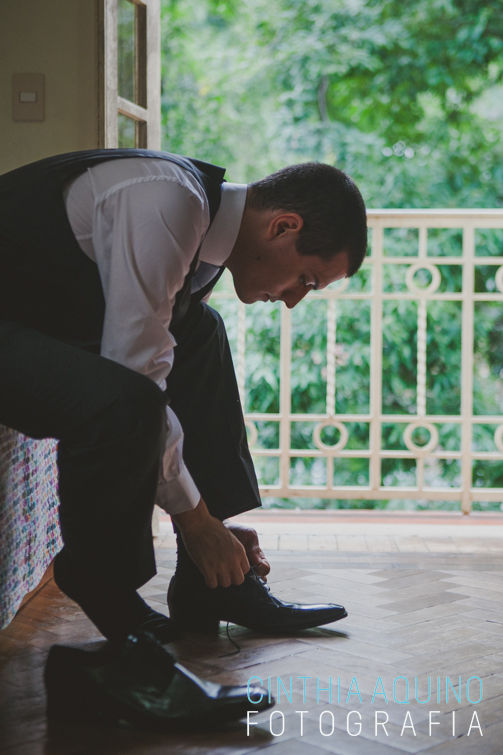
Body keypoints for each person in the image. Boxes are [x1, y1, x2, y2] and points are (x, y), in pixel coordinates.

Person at [0, 148, 367, 726]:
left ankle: (213, 581)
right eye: (307, 279)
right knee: (124, 403)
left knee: (199, 331)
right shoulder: (164, 201)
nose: (295, 299)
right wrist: (194, 522)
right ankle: (126, 649)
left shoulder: (206, 236)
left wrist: (210, 521)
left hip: (30, 321)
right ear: (283, 227)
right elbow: (133, 380)